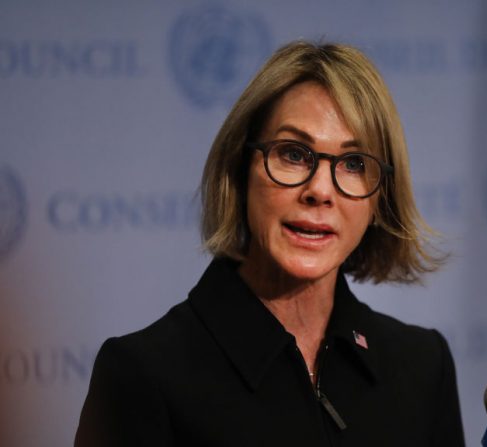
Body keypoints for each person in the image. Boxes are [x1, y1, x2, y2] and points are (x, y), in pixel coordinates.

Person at [74, 41, 465, 446]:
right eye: (294, 154)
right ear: (241, 170)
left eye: (353, 164)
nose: (319, 190)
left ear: (380, 197)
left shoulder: (422, 366)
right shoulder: (143, 374)